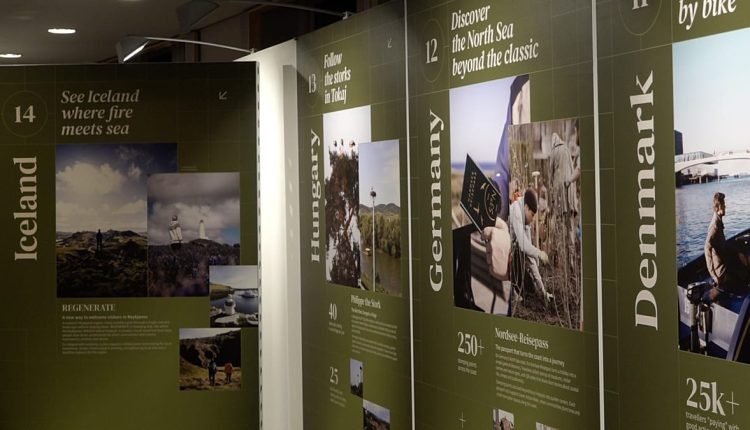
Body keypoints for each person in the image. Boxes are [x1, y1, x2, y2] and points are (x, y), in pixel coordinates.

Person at [508, 188, 552, 302]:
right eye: (532, 215)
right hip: (498, 248)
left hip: (509, 251)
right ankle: (510, 292)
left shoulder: (526, 222)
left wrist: (543, 291)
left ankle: (514, 290)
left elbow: (530, 257)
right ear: (526, 207)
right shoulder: (516, 211)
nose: (533, 219)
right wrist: (539, 253)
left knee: (531, 289)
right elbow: (523, 246)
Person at [704, 192, 750, 301]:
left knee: (742, 256)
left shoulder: (719, 221)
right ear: (718, 207)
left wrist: (738, 253)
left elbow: (723, 245)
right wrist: (714, 276)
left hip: (725, 262)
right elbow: (707, 249)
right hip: (722, 272)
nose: (725, 207)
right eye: (723, 204)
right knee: (744, 275)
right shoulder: (715, 226)